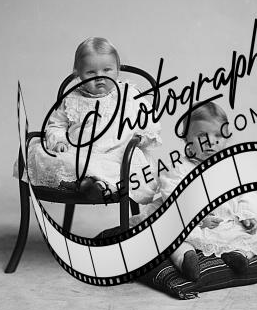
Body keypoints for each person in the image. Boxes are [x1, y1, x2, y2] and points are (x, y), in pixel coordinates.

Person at [132, 102, 257, 281]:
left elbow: (249, 192)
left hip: (226, 220)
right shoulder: (178, 167)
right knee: (171, 235)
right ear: (186, 139)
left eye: (218, 135)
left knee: (251, 234)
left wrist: (247, 214)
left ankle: (238, 254)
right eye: (201, 136)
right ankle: (185, 258)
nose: (211, 142)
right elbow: (173, 195)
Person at [16, 37, 161, 204]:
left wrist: (141, 137)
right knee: (40, 153)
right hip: (78, 153)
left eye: (107, 70)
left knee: (117, 166)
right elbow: (57, 124)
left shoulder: (129, 95)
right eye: (91, 72)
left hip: (115, 154)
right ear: (78, 74)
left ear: (117, 70)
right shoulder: (72, 98)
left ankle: (96, 186)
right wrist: (59, 141)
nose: (99, 77)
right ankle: (82, 184)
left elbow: (149, 121)